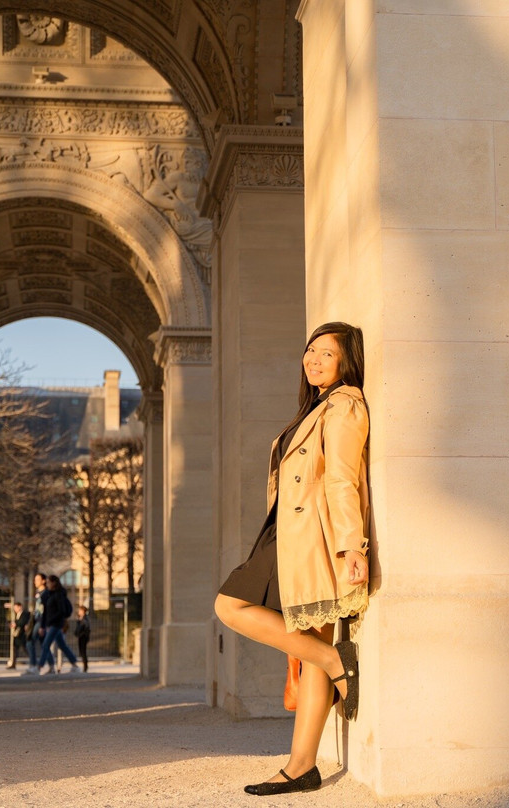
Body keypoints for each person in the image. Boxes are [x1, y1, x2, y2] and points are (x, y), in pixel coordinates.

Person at [214, 322, 370, 796]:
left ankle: (330, 665)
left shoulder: (344, 405)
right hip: (287, 533)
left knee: (229, 606)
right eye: (310, 350)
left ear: (346, 361)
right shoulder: (318, 406)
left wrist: (351, 546)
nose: (314, 359)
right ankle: (302, 765)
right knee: (304, 638)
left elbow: (344, 479)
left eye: (327, 353)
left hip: (308, 537)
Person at [37, 575, 80, 674]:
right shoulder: (49, 595)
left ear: (54, 583)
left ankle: (39, 666)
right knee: (62, 645)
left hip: (56, 624)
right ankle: (74, 664)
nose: (47, 585)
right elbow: (45, 610)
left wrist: (52, 620)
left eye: (48, 582)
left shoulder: (58, 595)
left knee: (46, 644)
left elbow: (61, 611)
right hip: (52, 623)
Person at [22, 572, 48, 676]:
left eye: (37, 579)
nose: (35, 582)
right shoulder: (38, 593)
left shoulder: (45, 594)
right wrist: (30, 622)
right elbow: (36, 610)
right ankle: (51, 665)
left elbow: (43, 611)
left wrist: (42, 625)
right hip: (36, 620)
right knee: (43, 644)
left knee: (29, 641)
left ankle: (33, 665)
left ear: (43, 581)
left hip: (40, 621)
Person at [8, 601, 30, 669]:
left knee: (25, 648)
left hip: (22, 634)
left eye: (16, 607)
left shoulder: (25, 613)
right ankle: (13, 664)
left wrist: (15, 624)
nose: (15, 609)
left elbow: (23, 622)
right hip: (17, 634)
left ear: (20, 607)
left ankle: (33, 660)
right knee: (15, 649)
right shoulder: (16, 614)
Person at [74, 605, 91, 673]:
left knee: (83, 651)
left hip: (83, 636)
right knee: (82, 651)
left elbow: (85, 627)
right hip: (81, 636)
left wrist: (82, 633)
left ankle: (85, 666)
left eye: (80, 610)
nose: (79, 611)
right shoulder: (81, 618)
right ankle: (85, 665)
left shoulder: (84, 619)